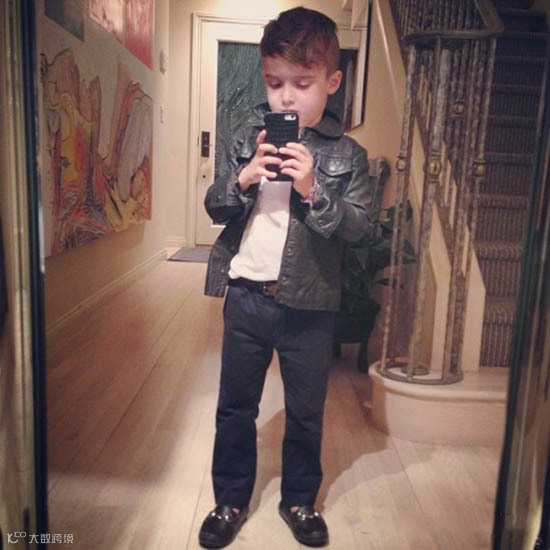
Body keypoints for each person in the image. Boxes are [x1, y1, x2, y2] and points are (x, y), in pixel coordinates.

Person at [198, 7, 373, 548]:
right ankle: (230, 499)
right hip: (247, 297)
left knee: (305, 411)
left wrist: (314, 190)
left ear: (332, 82)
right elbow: (215, 207)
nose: (286, 99)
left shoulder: (348, 155)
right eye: (275, 84)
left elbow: (360, 228)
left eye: (302, 83)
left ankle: (299, 499)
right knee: (235, 407)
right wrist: (244, 177)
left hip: (310, 305)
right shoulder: (245, 139)